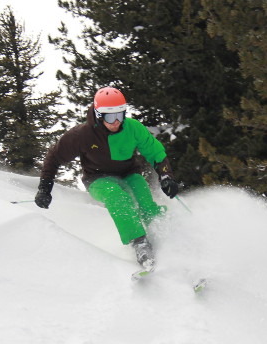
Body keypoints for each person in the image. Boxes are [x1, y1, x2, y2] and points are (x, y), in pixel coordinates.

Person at [34, 87, 179, 271]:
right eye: (110, 117)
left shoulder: (133, 128)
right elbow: (53, 157)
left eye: (120, 115)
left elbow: (155, 152)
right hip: (98, 179)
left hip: (129, 174)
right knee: (117, 198)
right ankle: (140, 243)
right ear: (98, 114)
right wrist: (44, 188)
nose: (116, 122)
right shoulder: (82, 135)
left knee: (144, 199)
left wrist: (166, 176)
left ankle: (166, 236)